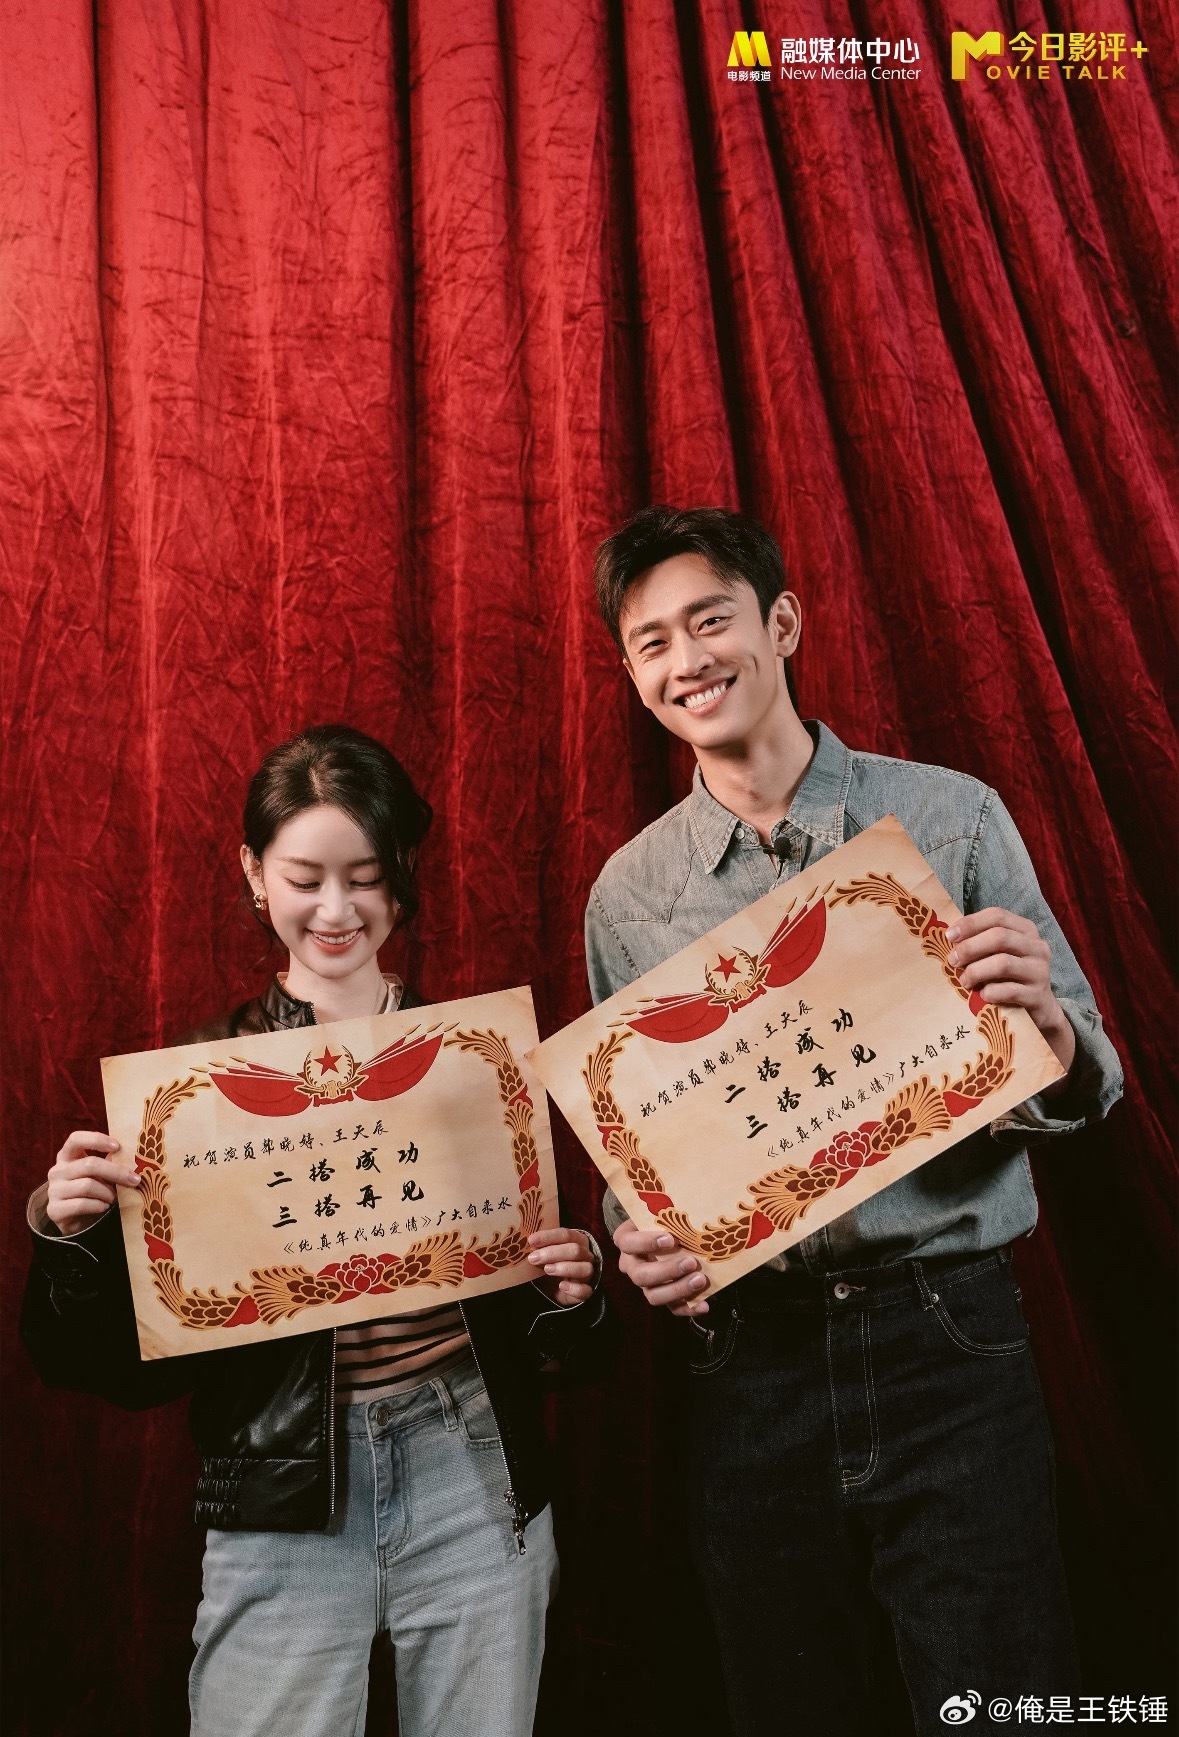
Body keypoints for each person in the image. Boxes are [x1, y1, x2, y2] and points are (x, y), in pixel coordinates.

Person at [584, 507, 1123, 1736]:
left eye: (711, 620)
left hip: (949, 1334)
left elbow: (1091, 1081)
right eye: (652, 642)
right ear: (632, 673)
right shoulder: (629, 895)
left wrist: (1044, 1020)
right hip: (751, 1366)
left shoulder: (950, 817)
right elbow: (640, 1156)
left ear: (781, 623)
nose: (687, 661)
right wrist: (638, 1238)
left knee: (1002, 1702)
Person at [23, 724, 605, 1737]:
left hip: (471, 1469)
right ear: (255, 875)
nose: (336, 910)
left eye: (366, 878)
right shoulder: (190, 1091)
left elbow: (552, 1346)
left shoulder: (471, 1063)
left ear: (402, 876)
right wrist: (71, 1237)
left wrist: (573, 1286)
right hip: (281, 1493)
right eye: (304, 878)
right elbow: (109, 1370)